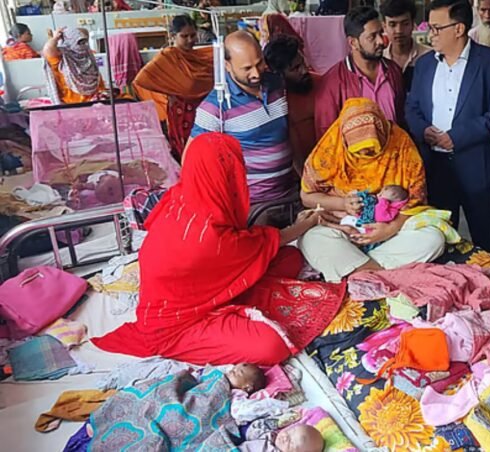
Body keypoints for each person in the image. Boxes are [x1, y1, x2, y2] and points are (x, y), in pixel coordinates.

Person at [92, 133, 345, 366]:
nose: (239, 177)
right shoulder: (209, 238)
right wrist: (309, 222)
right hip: (177, 326)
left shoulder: (179, 199)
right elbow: (267, 241)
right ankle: (217, 324)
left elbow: (256, 243)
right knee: (271, 346)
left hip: (203, 285)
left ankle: (232, 305)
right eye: (233, 170)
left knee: (290, 259)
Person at [298, 98, 446, 283]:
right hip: (343, 226)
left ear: (383, 134)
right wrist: (342, 203)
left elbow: (415, 201)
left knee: (433, 238)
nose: (365, 156)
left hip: (390, 228)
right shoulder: (330, 149)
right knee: (312, 238)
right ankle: (380, 272)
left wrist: (390, 229)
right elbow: (307, 196)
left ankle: (359, 271)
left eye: (372, 150)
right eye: (358, 152)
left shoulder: (401, 145)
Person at [406, 0, 490, 254]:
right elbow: (412, 107)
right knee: (441, 240)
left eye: (437, 28)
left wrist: (457, 137)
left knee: (484, 241)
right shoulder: (426, 64)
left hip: (475, 166)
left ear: (459, 29)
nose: (431, 34)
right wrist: (423, 130)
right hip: (436, 167)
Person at [190, 31, 295, 205]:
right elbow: (192, 161)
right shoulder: (214, 108)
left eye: (259, 63)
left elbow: (291, 134)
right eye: (246, 68)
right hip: (253, 203)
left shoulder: (277, 84)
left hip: (290, 192)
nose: (256, 73)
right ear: (227, 66)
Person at [314, 6, 406, 138]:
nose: (381, 41)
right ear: (353, 43)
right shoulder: (332, 83)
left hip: (395, 154)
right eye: (372, 37)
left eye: (381, 33)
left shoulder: (393, 71)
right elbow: (327, 136)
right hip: (353, 158)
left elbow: (402, 119)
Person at [133, 15, 213, 159]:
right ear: (173, 36)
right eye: (184, 36)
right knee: (188, 153)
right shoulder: (168, 58)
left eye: (193, 35)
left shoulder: (201, 57)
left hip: (204, 112)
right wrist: (164, 97)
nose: (190, 40)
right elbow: (141, 80)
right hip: (182, 115)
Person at [265, 35, 321, 171]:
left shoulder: (323, 83)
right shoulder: (273, 101)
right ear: (278, 74)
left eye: (303, 63)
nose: (304, 70)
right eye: (295, 68)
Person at [42, 27, 106, 105]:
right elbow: (48, 49)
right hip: (73, 105)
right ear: (69, 42)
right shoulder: (61, 58)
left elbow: (85, 32)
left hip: (97, 101)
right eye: (79, 41)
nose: (83, 44)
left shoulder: (88, 54)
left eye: (84, 41)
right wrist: (55, 38)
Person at [381, 0, 431, 91]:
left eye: (405, 24)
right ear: (384, 26)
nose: (399, 30)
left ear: (413, 24)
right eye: (392, 24)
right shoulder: (380, 60)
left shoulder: (429, 56)